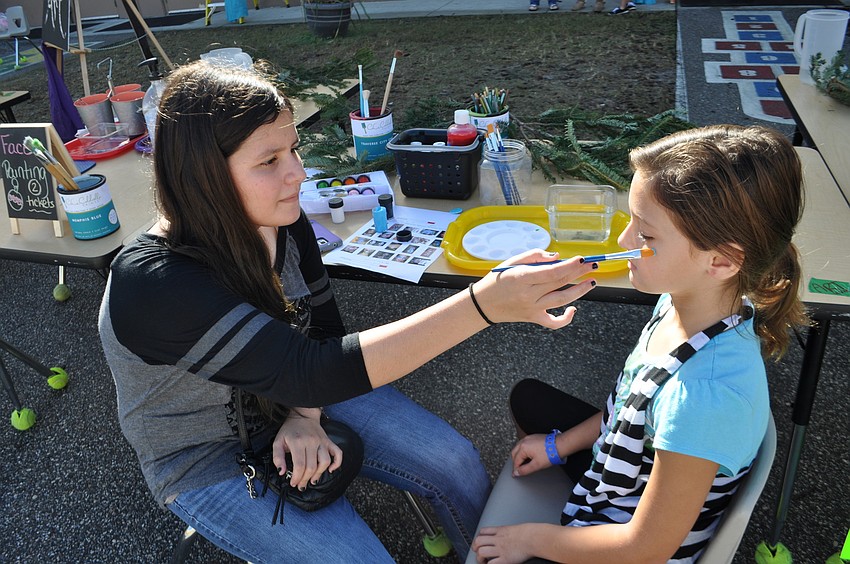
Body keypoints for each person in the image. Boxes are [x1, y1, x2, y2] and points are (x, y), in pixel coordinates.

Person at [97, 59, 598, 563]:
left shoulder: (283, 220)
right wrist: (482, 304)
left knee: (457, 462)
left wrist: (303, 414)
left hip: (303, 391)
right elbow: (314, 369)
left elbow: (323, 331)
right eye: (268, 161)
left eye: (293, 149)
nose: (298, 173)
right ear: (202, 176)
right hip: (208, 454)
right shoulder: (153, 283)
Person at [471, 125, 808, 563]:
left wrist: (531, 540)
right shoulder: (684, 300)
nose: (624, 242)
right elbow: (630, 402)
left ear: (722, 260)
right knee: (528, 399)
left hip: (629, 545)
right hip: (622, 473)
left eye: (646, 236)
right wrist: (559, 445)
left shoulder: (702, 399)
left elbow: (645, 547)